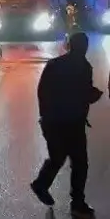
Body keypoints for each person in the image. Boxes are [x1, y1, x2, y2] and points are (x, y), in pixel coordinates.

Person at [30, 32, 102, 218]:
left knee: (58, 157)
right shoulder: (84, 67)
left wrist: (45, 116)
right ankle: (77, 203)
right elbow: (83, 93)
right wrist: (94, 95)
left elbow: (42, 91)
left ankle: (42, 184)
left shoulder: (54, 64)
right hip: (72, 122)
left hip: (53, 122)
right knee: (79, 163)